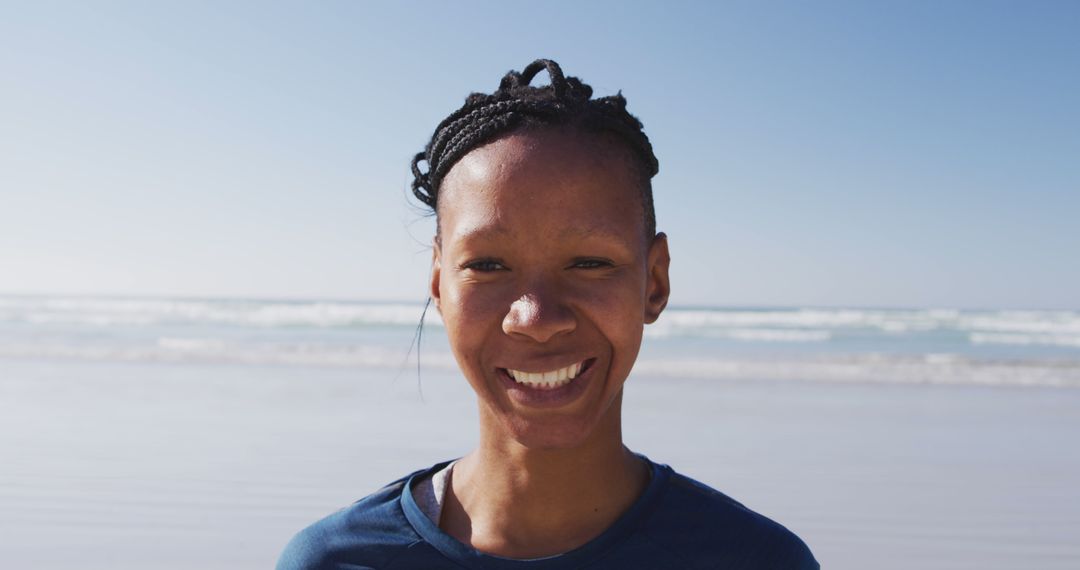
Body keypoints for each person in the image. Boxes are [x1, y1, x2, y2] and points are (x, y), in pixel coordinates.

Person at [276, 59, 818, 570]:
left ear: (654, 283)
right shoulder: (338, 560)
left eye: (589, 262)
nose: (535, 317)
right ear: (440, 284)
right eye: (488, 264)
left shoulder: (753, 560)